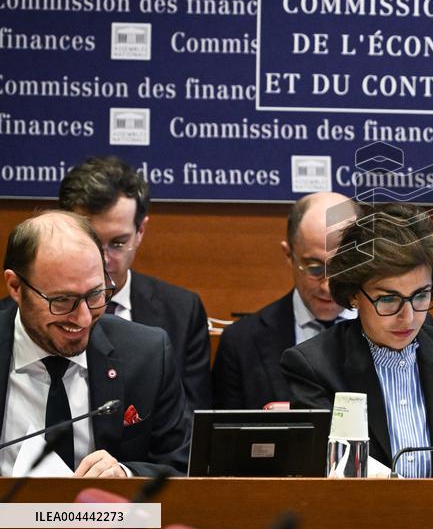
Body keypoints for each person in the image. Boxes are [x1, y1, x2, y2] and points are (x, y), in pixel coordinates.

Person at [281, 203, 433, 479]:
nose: (408, 317)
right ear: (353, 295)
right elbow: (319, 469)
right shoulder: (314, 366)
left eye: (421, 295)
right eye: (388, 299)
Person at [0, 211, 190, 476]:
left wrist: (126, 475)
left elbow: (183, 468)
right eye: (62, 300)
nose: (84, 318)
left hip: (107, 517)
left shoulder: (147, 354)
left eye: (95, 294)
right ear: (16, 287)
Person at [58, 156, 211, 411]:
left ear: (140, 231)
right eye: (90, 241)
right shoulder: (28, 311)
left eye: (118, 243)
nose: (103, 260)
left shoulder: (182, 312)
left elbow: (190, 423)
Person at [212, 192, 359, 409]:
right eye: (314, 267)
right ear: (289, 254)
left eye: (341, 267)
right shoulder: (241, 343)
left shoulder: (396, 330)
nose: (328, 286)